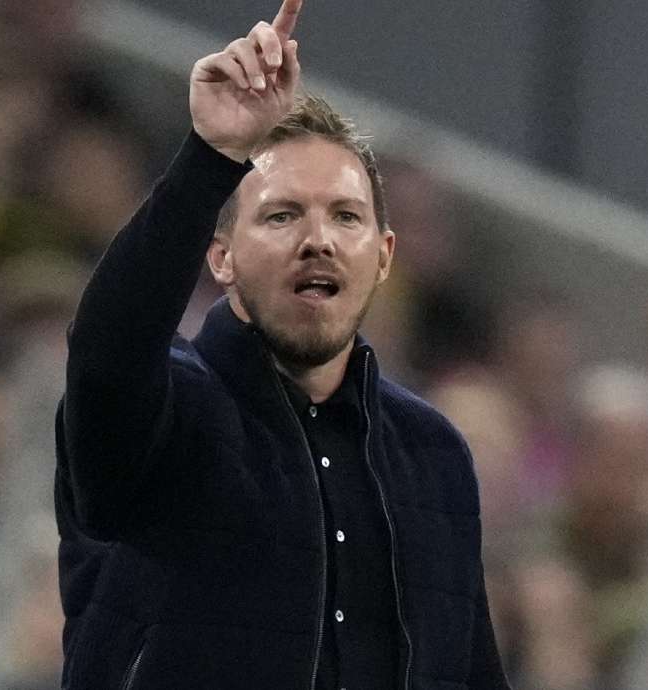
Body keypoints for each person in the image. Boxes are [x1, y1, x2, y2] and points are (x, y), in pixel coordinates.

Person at [54, 2, 510, 688]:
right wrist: (212, 155)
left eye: (346, 216)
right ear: (222, 257)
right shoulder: (170, 413)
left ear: (384, 257)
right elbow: (108, 351)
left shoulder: (432, 451)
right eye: (282, 214)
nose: (318, 238)